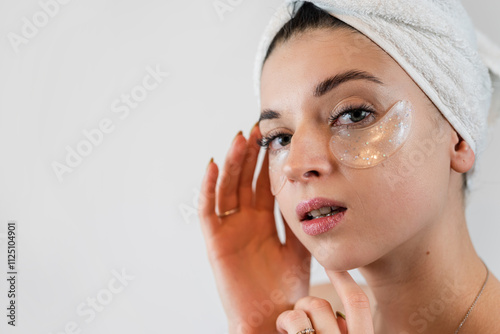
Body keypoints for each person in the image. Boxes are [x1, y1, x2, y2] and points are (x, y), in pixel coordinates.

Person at [198, 1, 500, 333]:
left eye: (353, 115)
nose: (296, 166)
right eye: (280, 138)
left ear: (458, 138)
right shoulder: (303, 322)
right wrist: (258, 323)